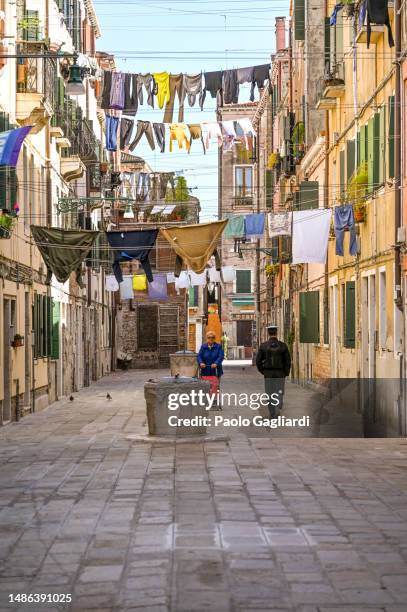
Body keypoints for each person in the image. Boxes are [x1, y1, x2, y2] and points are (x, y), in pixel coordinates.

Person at [256, 325, 291, 419]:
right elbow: (288, 361)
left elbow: (258, 361)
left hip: (268, 373)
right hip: (280, 373)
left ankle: (272, 414)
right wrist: (285, 373)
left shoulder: (263, 346)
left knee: (269, 393)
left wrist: (263, 371)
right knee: (279, 391)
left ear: (268, 333)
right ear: (276, 333)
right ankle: (279, 404)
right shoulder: (283, 346)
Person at [197, 331, 224, 407]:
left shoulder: (218, 346)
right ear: (207, 338)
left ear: (214, 338)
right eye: (209, 337)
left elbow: (221, 356)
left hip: (216, 370)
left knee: (215, 386)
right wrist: (201, 362)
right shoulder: (203, 346)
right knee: (206, 386)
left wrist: (216, 363)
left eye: (212, 337)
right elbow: (199, 356)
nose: (211, 339)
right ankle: (207, 400)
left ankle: (215, 401)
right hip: (205, 369)